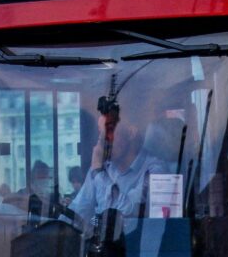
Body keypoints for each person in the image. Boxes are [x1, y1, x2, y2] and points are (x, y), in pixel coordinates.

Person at [68, 101, 175, 253]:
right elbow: (78, 211)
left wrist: (98, 172)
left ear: (131, 133)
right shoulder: (103, 170)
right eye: (100, 132)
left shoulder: (155, 171)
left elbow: (128, 211)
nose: (101, 140)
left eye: (108, 131)